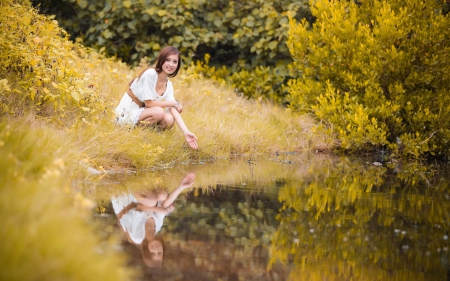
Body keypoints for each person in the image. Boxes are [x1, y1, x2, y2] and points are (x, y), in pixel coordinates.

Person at [115, 46, 198, 149]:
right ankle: (129, 132)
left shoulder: (169, 85)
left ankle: (145, 137)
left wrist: (186, 132)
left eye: (175, 62)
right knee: (158, 112)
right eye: (168, 60)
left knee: (169, 119)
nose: (171, 64)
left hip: (142, 112)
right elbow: (150, 104)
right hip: (127, 111)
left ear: (178, 64)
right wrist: (173, 103)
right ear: (161, 59)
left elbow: (173, 109)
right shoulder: (150, 74)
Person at [111, 172, 196, 268]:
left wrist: (166, 211)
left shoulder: (137, 238)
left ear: (147, 251)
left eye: (153, 253)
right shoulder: (158, 226)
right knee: (163, 196)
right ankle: (142, 176)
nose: (156, 250)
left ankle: (126, 179)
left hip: (123, 199)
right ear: (163, 249)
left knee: (151, 201)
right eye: (159, 252)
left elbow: (140, 208)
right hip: (135, 200)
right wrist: (181, 186)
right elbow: (165, 204)